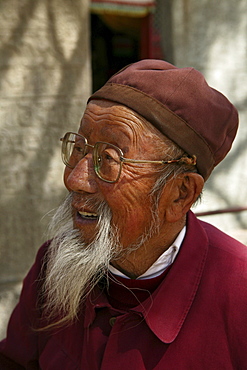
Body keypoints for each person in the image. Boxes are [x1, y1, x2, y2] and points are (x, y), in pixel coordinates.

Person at [0, 59, 246, 369]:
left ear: (181, 193)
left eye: (109, 158)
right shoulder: (51, 267)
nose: (75, 179)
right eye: (79, 148)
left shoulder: (239, 294)